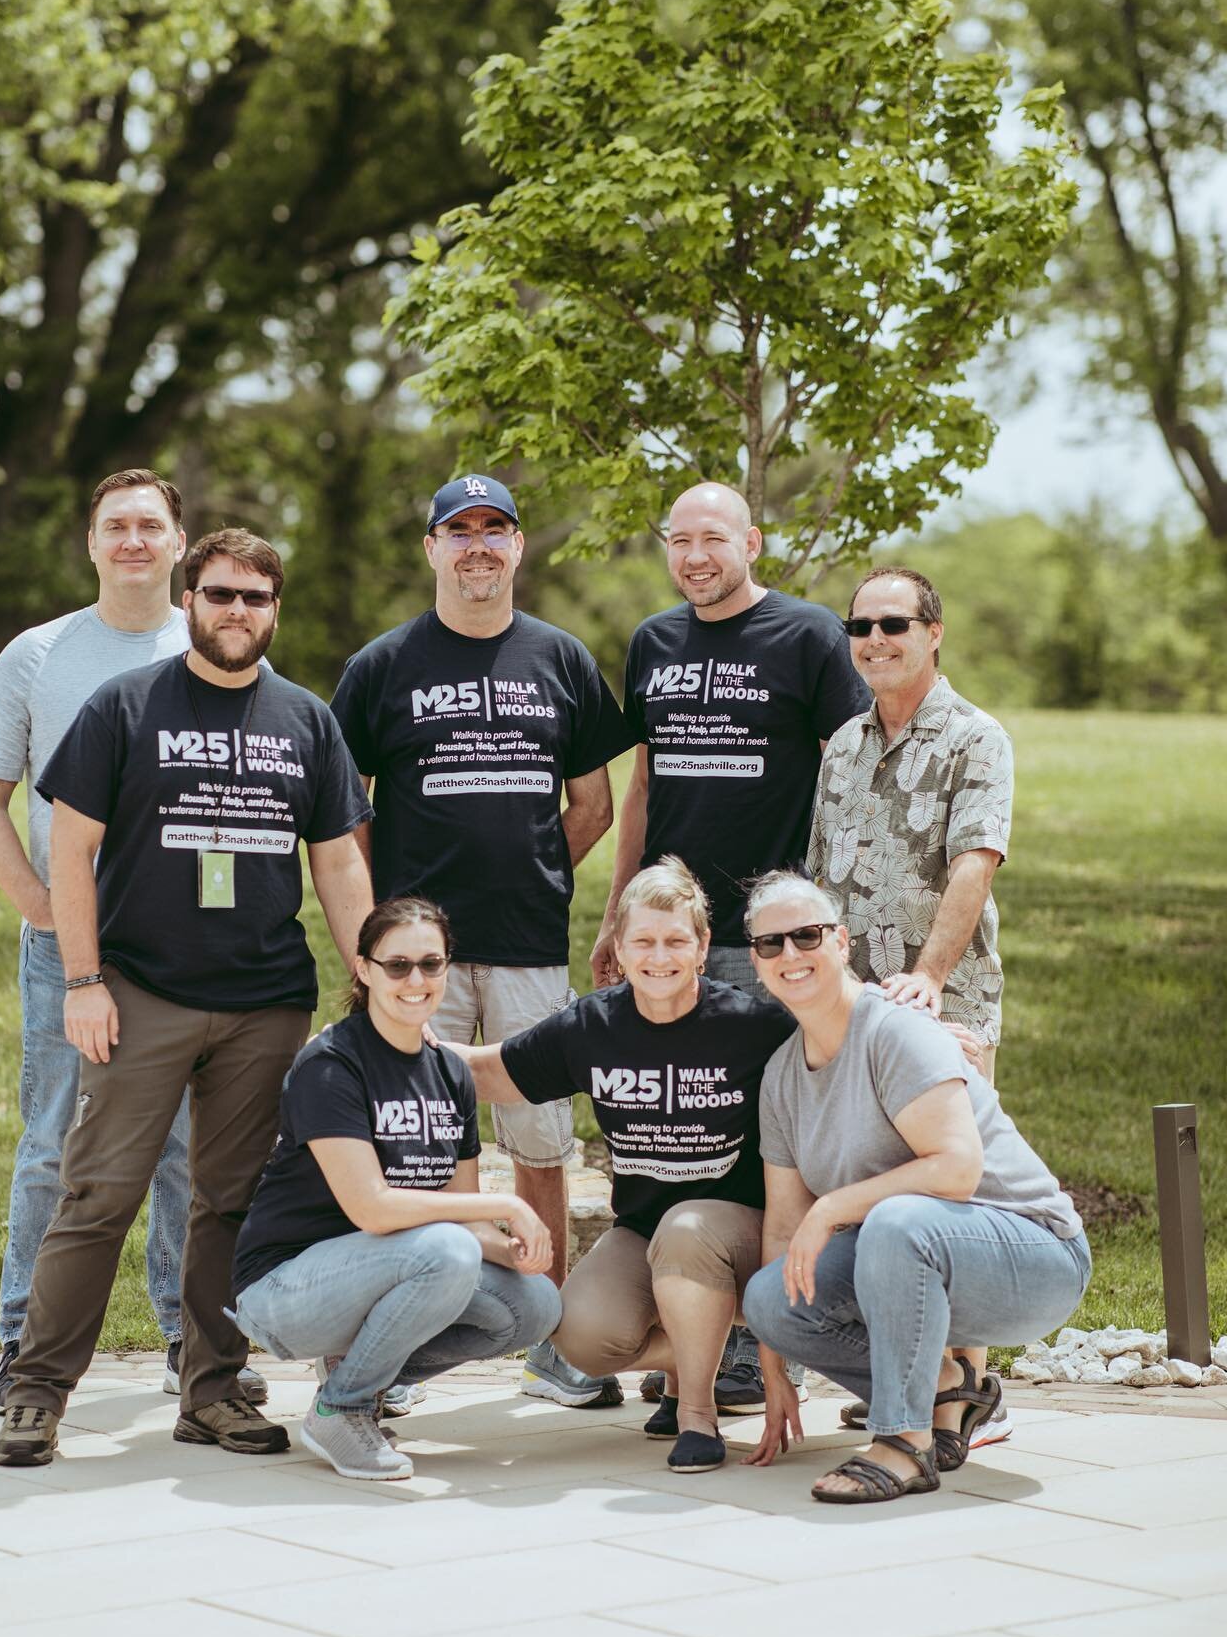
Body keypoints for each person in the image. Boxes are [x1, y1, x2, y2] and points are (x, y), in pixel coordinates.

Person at [0, 528, 373, 1467]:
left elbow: (336, 863)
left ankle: (211, 1391)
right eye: (218, 594)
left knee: (228, 1204)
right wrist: (83, 981)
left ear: (275, 609)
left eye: (254, 597)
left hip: (266, 1002)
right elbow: (69, 852)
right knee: (99, 1194)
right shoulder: (125, 706)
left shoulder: (307, 721)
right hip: (142, 991)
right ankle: (36, 1393)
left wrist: (373, 977)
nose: (236, 611)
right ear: (189, 600)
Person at [0, 468, 257, 1413]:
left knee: (179, 1151)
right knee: (54, 1144)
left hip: (185, 955)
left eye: (150, 526)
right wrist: (42, 906)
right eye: (114, 526)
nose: (132, 540)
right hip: (68, 953)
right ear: (91, 544)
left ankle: (184, 1339)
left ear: (178, 543)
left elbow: (239, 792)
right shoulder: (39, 656)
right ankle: (21, 1343)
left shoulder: (213, 634)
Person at [330, 472, 634, 1410]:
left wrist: (538, 865)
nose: (475, 546)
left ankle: (548, 1337)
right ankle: (400, 1349)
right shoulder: (381, 666)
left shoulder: (561, 657)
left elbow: (593, 805)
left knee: (541, 1143)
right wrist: (387, 921)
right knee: (406, 1144)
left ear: (517, 547)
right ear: (430, 549)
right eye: (456, 530)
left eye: (493, 529)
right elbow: (347, 815)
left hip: (529, 944)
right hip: (417, 961)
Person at [591, 481, 869, 1414]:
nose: (696, 557)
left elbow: (851, 774)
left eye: (714, 539)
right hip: (667, 934)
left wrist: (829, 921)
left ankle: (750, 1346)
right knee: (676, 1122)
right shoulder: (654, 641)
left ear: (752, 540)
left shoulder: (808, 636)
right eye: (680, 541)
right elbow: (643, 783)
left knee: (760, 1133)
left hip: (766, 939)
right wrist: (617, 911)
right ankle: (689, 1337)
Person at [739, 871, 1090, 1503]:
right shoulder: (782, 1078)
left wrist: (839, 1206)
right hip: (914, 1253)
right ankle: (945, 1388)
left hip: (1035, 1258)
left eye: (807, 935)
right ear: (757, 961)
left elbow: (958, 1169)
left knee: (895, 1221)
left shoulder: (895, 1031)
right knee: (771, 1299)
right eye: (771, 944)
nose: (790, 955)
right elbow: (785, 1228)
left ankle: (904, 1443)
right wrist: (773, 1372)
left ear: (842, 943)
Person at [442, 858, 796, 1473]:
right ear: (620, 949)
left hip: (741, 1239)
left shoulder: (754, 1027)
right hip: (643, 1233)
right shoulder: (594, 1026)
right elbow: (489, 1071)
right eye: (644, 941)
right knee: (580, 1335)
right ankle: (693, 1360)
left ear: (704, 946)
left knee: (688, 1231)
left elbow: (838, 1046)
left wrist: (913, 1029)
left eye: (676, 940)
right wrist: (380, 1045)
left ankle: (697, 1413)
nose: (660, 956)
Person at [231, 898, 562, 1482]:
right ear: (364, 969)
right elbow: (373, 1208)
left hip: (392, 1271)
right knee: (445, 1251)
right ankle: (343, 1407)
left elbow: (465, 1218)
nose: (416, 980)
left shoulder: (450, 1071)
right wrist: (510, 1204)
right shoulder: (331, 1064)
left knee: (533, 1306)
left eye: (432, 965)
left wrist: (511, 1251)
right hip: (287, 1290)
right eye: (398, 965)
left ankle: (358, 1373)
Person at [810, 564, 1015, 1446]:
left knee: (953, 1192)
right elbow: (823, 879)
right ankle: (915, 1370)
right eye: (860, 627)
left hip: (944, 1006)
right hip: (855, 1011)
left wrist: (929, 975)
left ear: (935, 631)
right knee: (874, 1183)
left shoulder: (977, 738)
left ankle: (970, 1390)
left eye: (894, 624)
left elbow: (975, 862)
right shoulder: (842, 745)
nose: (876, 641)